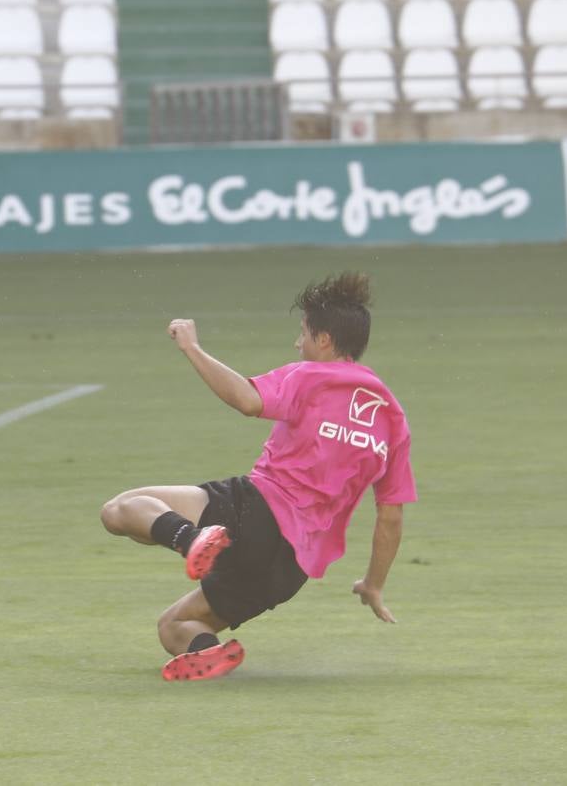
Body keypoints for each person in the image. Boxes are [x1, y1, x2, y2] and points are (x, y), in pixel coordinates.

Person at [101, 272, 417, 681]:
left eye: (302, 334)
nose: (297, 344)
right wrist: (373, 585)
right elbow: (390, 518)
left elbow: (248, 401)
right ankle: (208, 652)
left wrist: (192, 348)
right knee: (174, 627)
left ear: (324, 340)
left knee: (120, 510)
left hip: (259, 511)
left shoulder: (311, 376)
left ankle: (191, 538)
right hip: (290, 570)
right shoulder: (393, 419)